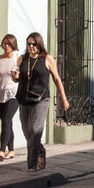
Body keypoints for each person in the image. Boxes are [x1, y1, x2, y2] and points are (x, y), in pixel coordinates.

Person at [16, 32, 69, 172]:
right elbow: (17, 78)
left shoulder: (47, 59)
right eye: (28, 44)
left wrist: (63, 98)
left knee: (35, 130)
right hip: (24, 98)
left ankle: (31, 165)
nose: (31, 47)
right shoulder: (22, 59)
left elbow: (57, 79)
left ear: (40, 44)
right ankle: (40, 150)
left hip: (41, 99)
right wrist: (15, 77)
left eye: (34, 44)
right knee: (27, 131)